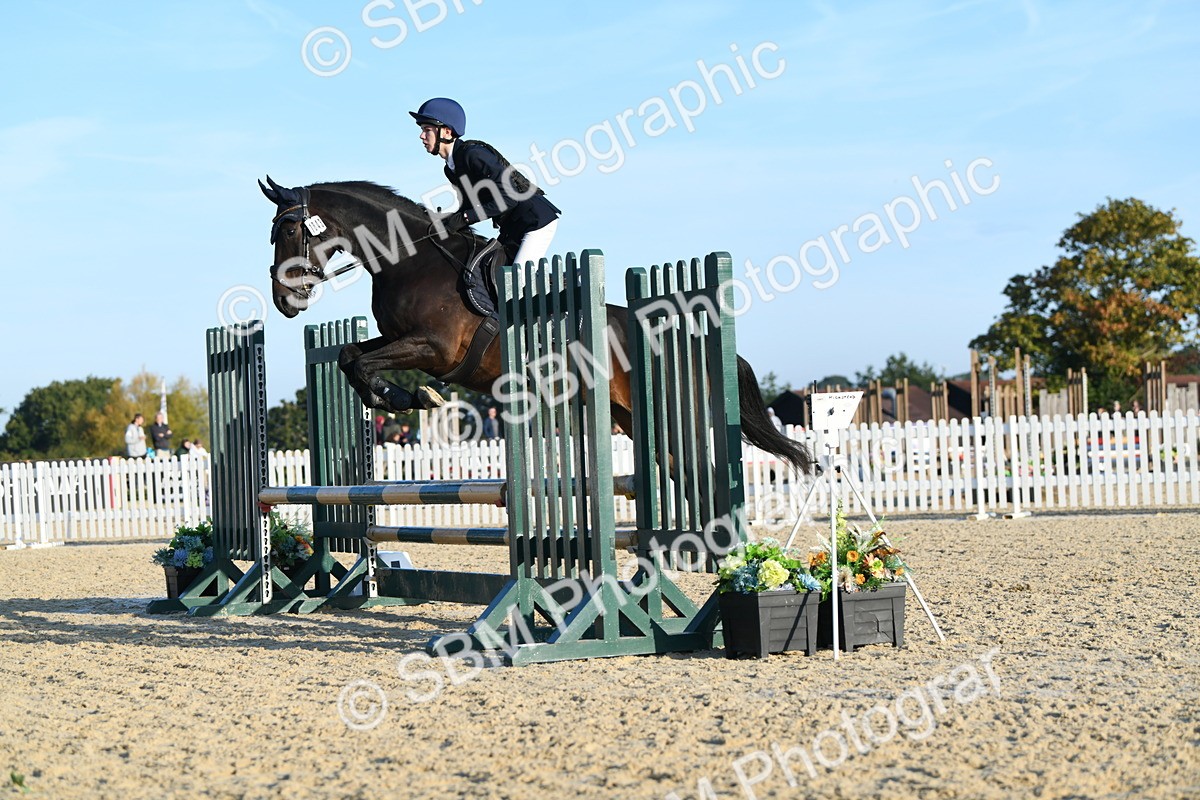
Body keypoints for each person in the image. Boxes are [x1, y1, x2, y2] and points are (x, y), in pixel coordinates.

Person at [410, 97, 560, 266]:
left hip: (535, 221)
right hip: (512, 227)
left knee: (517, 280)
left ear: (446, 132)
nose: (422, 136)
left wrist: (464, 218)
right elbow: (470, 204)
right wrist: (443, 222)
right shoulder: (451, 167)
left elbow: (509, 197)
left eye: (427, 129)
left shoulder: (473, 154)